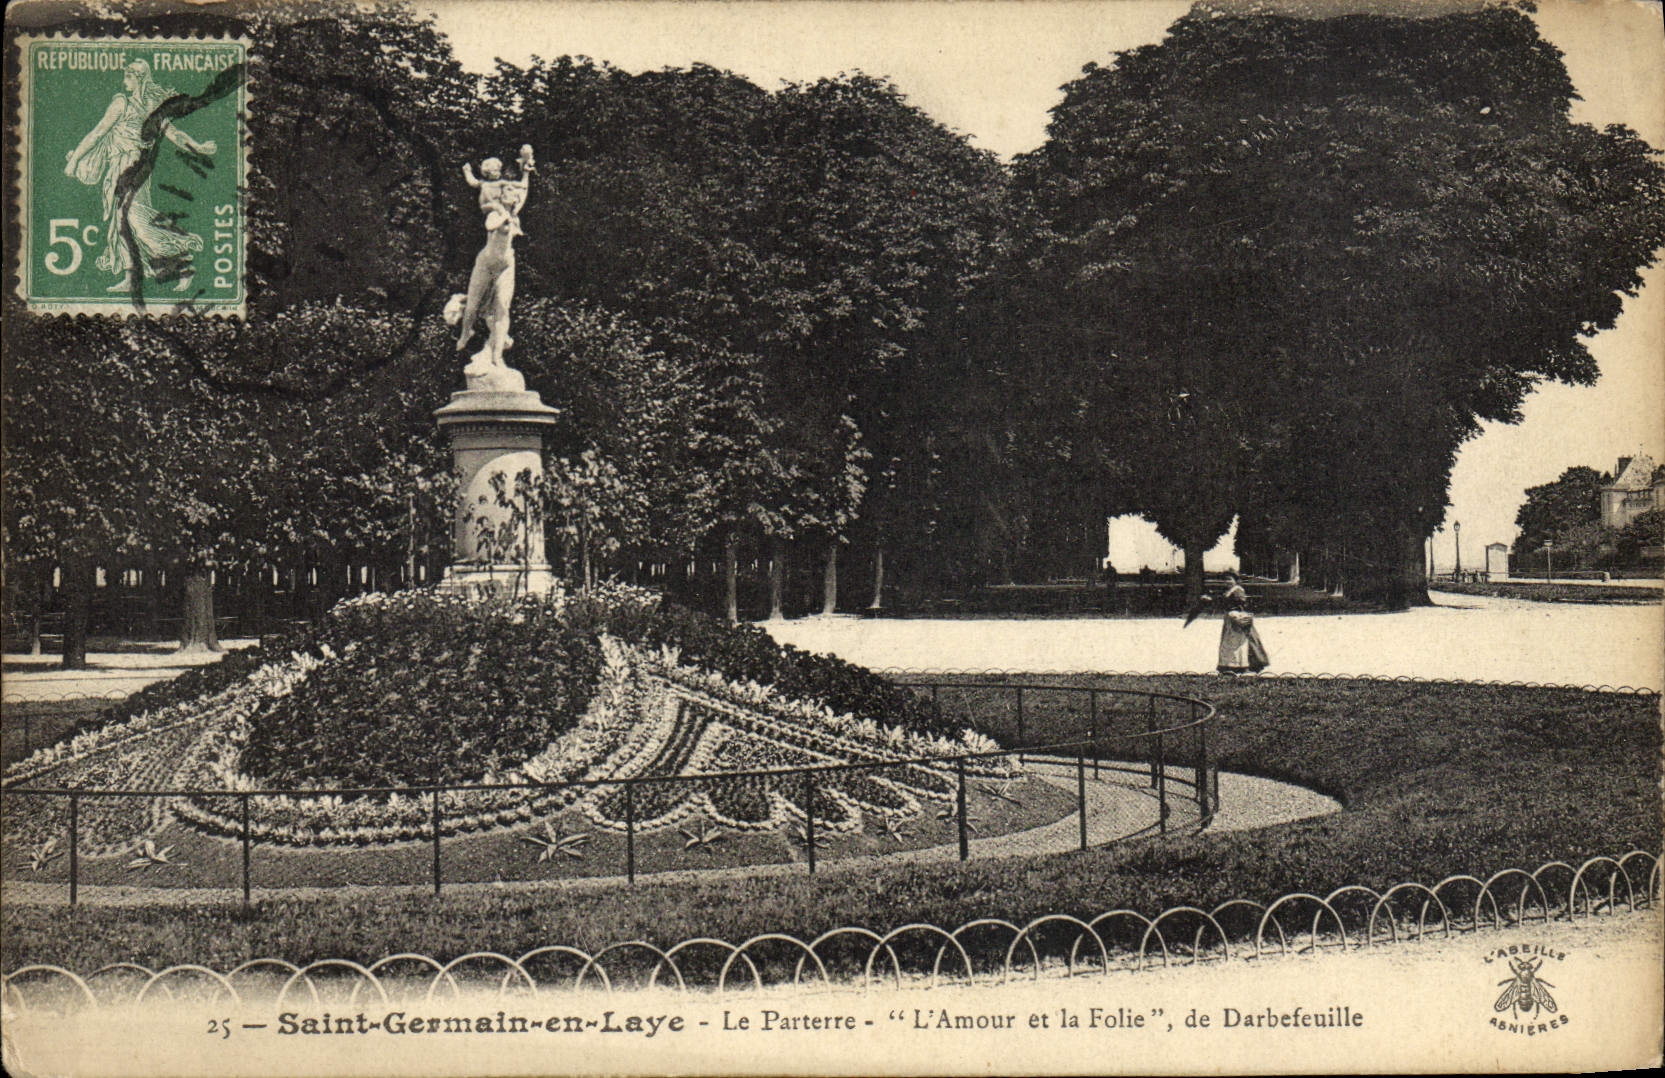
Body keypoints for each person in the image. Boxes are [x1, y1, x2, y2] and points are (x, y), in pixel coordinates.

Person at [64, 60, 216, 293]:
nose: (124, 81)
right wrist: (75, 159)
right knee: (121, 224)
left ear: (137, 78)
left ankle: (183, 262)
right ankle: (132, 277)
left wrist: (199, 147)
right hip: (119, 168)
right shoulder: (122, 103)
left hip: (136, 170)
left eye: (128, 76)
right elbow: (98, 133)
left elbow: (174, 134)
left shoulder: (150, 106)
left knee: (136, 220)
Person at [454, 146, 534, 370]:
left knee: (502, 308)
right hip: (487, 263)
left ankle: (496, 356)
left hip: (506, 265)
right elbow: (490, 225)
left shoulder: (513, 212)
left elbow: (524, 190)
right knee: (472, 305)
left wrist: (526, 170)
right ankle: (465, 332)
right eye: (509, 191)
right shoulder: (495, 213)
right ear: (501, 196)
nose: (513, 192)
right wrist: (504, 218)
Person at [1214, 570, 1270, 675]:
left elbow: (1243, 604)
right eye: (1225, 580)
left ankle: (1239, 666)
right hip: (1229, 619)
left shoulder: (1238, 591)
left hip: (1236, 619)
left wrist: (1237, 613)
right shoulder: (1229, 591)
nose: (1227, 582)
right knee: (1228, 643)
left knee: (1238, 643)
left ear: (1236, 580)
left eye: (1230, 579)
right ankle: (1227, 665)